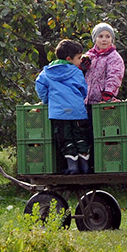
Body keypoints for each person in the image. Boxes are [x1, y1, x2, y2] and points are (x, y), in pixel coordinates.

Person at [35, 39, 92, 174]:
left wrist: (47, 100)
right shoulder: (76, 72)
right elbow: (83, 90)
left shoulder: (47, 72)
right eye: (78, 58)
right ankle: (85, 167)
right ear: (69, 59)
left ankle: (72, 168)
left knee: (66, 139)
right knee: (80, 137)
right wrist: (77, 100)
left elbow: (40, 86)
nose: (80, 61)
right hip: (78, 112)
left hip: (59, 113)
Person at [83, 22, 125, 108]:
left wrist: (108, 93)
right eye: (100, 36)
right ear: (95, 39)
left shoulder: (114, 57)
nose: (104, 39)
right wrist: (81, 67)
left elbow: (114, 76)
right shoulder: (89, 55)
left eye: (108, 36)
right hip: (85, 99)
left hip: (101, 100)